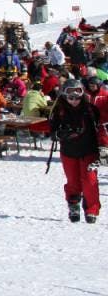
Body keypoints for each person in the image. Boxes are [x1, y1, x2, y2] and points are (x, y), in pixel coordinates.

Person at [49, 79, 107, 223]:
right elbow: (52, 129)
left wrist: (104, 147)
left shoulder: (90, 110)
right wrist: (59, 134)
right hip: (69, 152)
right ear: (64, 95)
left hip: (89, 151)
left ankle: (91, 208)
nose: (74, 100)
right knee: (73, 182)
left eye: (77, 95)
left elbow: (101, 129)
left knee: (89, 181)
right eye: (70, 96)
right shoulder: (59, 110)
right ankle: (73, 204)